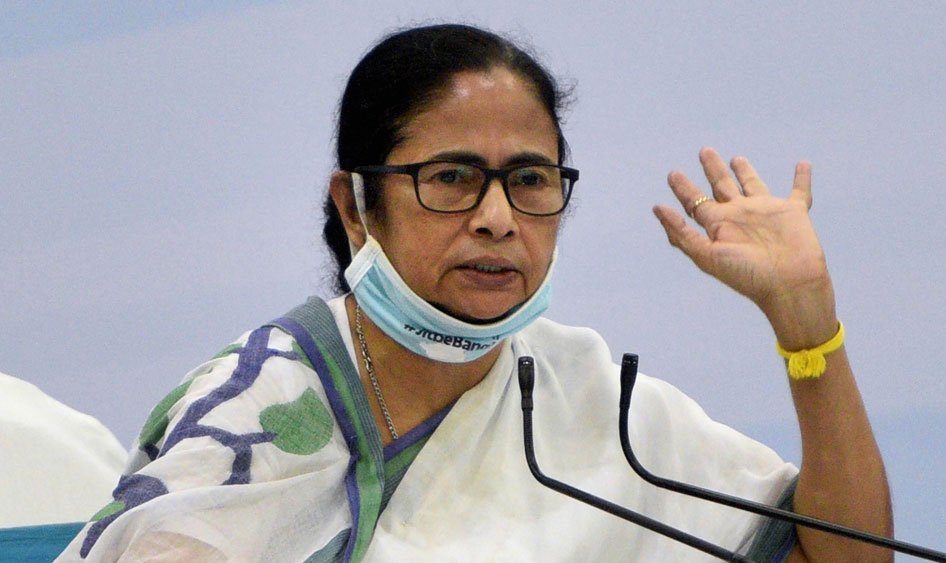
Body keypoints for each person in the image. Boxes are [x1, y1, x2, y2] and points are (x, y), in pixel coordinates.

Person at [59, 23, 891, 561]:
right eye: (452, 177)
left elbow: (844, 556)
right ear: (355, 206)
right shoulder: (260, 406)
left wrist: (806, 324)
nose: (498, 218)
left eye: (529, 179)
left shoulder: (592, 406)